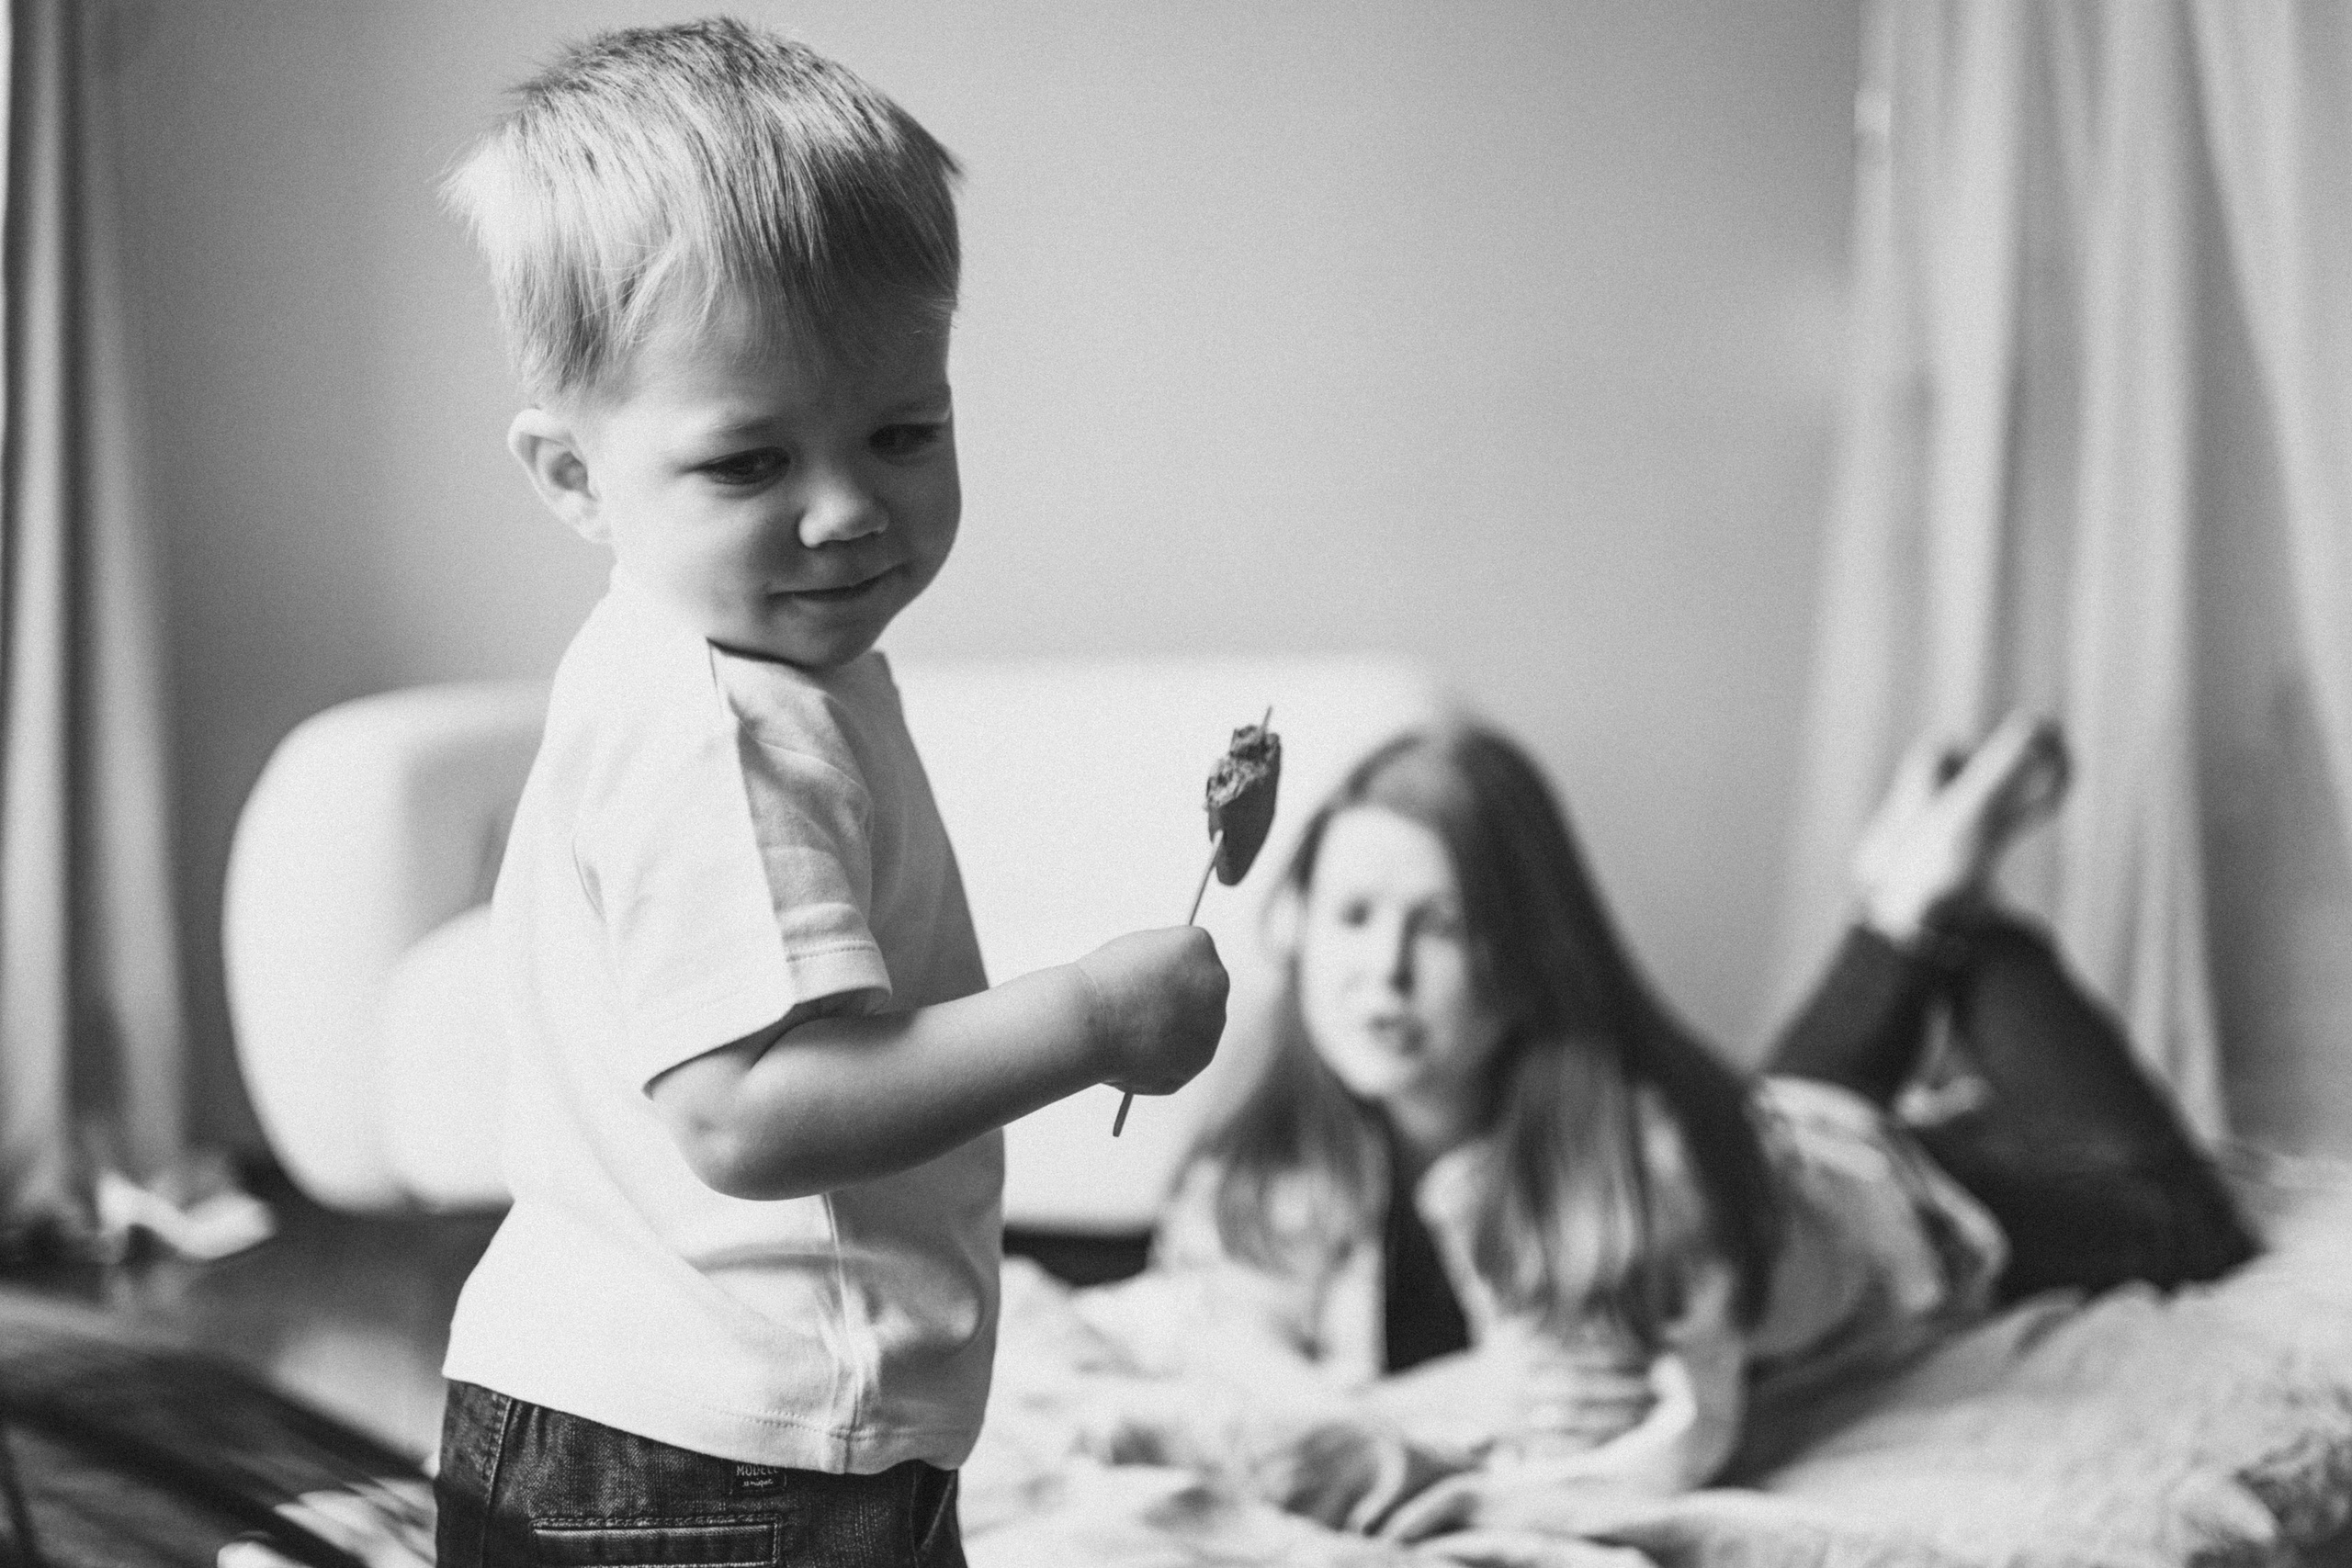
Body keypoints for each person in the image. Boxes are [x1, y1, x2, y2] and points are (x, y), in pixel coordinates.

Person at [429, 21, 1228, 1567]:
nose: (852, 507)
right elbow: (747, 1110)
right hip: (718, 1451)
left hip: (684, 1418)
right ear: (573, 475)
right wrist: (1091, 1020)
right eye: (747, 465)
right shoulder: (714, 725)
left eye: (904, 431)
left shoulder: (725, 665)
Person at [1078, 715, 2255, 1543]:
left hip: (1882, 1205)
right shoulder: (1278, 1152)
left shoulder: (1635, 1178)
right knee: (1767, 1113)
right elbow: (1223, 1346)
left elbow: (1672, 1444)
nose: (1380, 972)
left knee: (2182, 1216)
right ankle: (1897, 910)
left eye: (1437, 927)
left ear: (1527, 955)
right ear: (1291, 927)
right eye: (1354, 916)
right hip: (1765, 1146)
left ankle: (1953, 924)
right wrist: (1464, 1398)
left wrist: (1391, 1440)